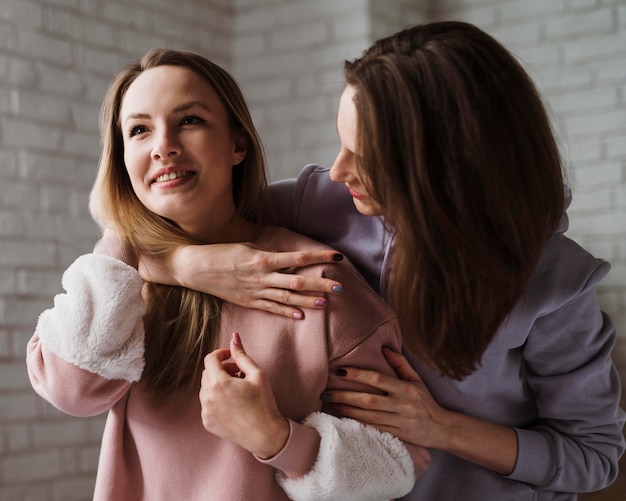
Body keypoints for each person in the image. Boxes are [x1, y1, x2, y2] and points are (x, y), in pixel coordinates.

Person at [139, 22, 626, 500]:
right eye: (341, 143)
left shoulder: (558, 282)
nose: (337, 170)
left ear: (446, 163)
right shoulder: (324, 201)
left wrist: (439, 427)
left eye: (366, 155)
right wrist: (182, 266)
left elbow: (594, 458)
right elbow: (156, 228)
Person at [26, 48, 431, 501]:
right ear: (122, 160)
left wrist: (278, 439)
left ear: (237, 144)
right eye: (139, 130)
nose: (163, 145)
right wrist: (124, 231)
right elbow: (73, 389)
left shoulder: (312, 282)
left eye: (190, 120)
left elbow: (395, 463)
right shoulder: (118, 285)